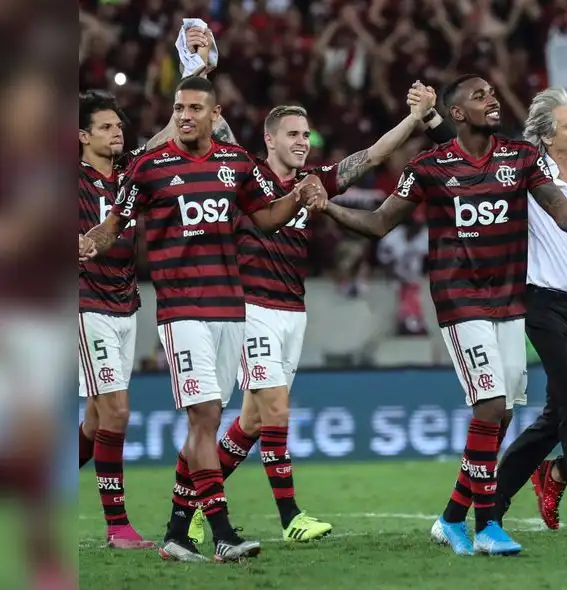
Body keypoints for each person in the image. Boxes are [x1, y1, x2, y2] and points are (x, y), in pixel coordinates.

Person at [320, 74, 567, 554]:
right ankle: (489, 525)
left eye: (492, 93)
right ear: (457, 113)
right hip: (461, 301)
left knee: (501, 416)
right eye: (479, 96)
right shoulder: (428, 166)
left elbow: (566, 215)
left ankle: (452, 517)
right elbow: (377, 224)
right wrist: (327, 207)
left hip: (510, 303)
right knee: (493, 407)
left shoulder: (518, 159)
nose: (492, 99)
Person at [177, 25, 441, 545]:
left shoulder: (314, 181)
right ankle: (291, 517)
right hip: (250, 308)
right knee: (276, 409)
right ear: (270, 139)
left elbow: (371, 155)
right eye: (293, 134)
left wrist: (414, 119)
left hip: (292, 310)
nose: (303, 142)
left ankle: (191, 506)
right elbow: (211, 119)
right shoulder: (243, 172)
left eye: (307, 135)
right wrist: (200, 66)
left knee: (254, 421)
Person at [79, 75, 327, 563]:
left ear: (216, 115)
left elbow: (266, 218)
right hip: (182, 310)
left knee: (209, 424)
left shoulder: (237, 164)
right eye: (179, 107)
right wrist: (91, 243)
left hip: (230, 309)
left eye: (195, 108)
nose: (185, 115)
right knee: (205, 416)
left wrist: (299, 196)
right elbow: (115, 224)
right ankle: (222, 533)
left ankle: (176, 532)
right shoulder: (149, 167)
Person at [77, 90, 158, 550]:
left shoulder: (132, 173)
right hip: (85, 303)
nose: (116, 133)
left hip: (126, 303)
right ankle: (119, 528)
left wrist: (196, 75)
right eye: (105, 127)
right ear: (82, 136)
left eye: (118, 126)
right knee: (117, 412)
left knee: (95, 423)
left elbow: (165, 139)